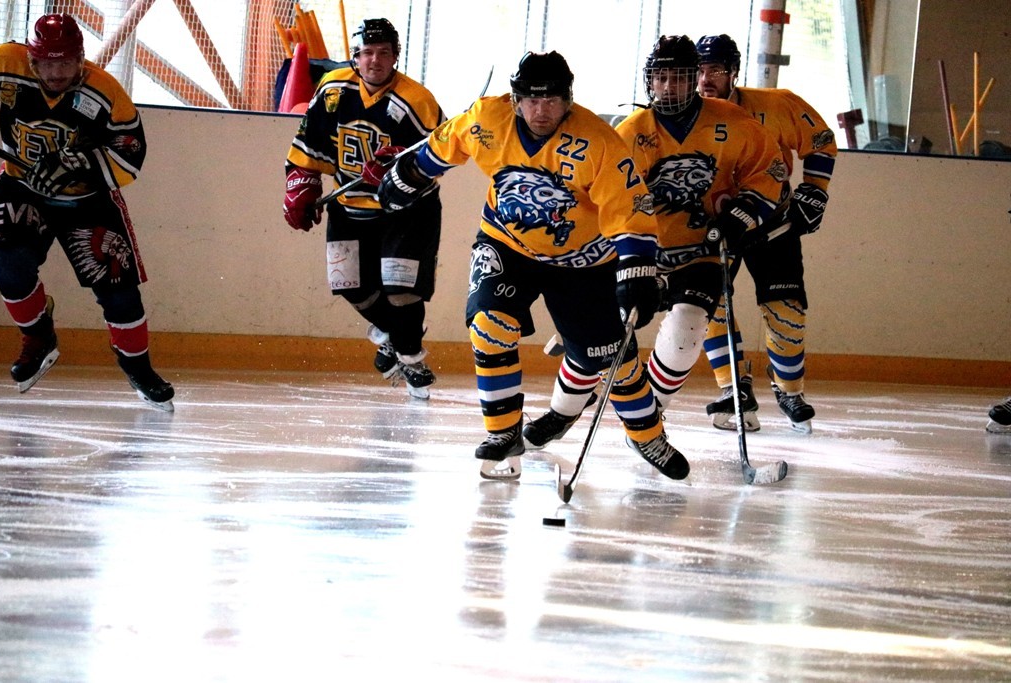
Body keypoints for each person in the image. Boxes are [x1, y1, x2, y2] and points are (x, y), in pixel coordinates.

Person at [375, 50, 689, 483]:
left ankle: (646, 434)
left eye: (552, 101)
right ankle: (503, 433)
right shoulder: (487, 120)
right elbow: (443, 147)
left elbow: (628, 212)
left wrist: (636, 270)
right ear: (515, 99)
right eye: (532, 100)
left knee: (610, 357)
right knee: (489, 327)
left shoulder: (600, 142)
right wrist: (407, 175)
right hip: (507, 245)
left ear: (568, 100)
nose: (541, 111)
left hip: (583, 261)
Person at [0, 14, 174, 411]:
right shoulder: (5, 62)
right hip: (21, 186)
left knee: (119, 292)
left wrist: (81, 164)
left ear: (81, 58)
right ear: (32, 60)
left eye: (67, 63)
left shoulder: (105, 91)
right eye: (47, 64)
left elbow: (131, 155)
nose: (57, 73)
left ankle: (138, 368)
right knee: (6, 260)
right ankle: (39, 336)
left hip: (86, 199)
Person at [614, 36, 787, 430]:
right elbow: (609, 197)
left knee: (688, 330)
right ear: (649, 80)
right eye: (661, 77)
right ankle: (565, 409)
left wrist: (743, 213)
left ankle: (648, 414)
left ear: (694, 79)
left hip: (702, 251)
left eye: (678, 78)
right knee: (606, 336)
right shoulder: (630, 133)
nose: (668, 87)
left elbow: (769, 171)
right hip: (645, 252)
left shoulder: (732, 121)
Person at [283, 18, 444, 399]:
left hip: (406, 210)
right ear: (355, 57)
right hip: (349, 206)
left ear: (395, 57)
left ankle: (410, 357)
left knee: (400, 290)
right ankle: (394, 334)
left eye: (383, 53)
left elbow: (438, 157)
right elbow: (310, 142)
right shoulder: (333, 89)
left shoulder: (417, 101)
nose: (375, 60)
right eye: (367, 52)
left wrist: (397, 170)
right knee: (350, 286)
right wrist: (301, 183)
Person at [695, 33, 838, 434]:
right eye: (700, 70)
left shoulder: (776, 105)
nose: (706, 79)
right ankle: (734, 388)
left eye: (716, 70)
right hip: (715, 229)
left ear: (733, 72)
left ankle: (790, 390)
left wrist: (815, 191)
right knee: (710, 307)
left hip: (773, 223)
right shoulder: (684, 118)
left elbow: (821, 142)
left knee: (786, 309)